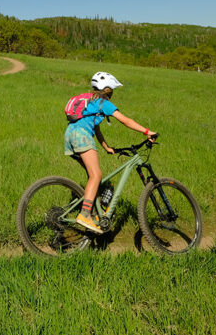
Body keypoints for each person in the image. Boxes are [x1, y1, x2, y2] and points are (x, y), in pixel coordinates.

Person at [64, 71, 158, 234]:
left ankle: (94, 213)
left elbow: (96, 127)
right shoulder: (103, 103)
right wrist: (147, 131)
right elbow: (125, 120)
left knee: (93, 176)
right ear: (108, 89)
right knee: (96, 175)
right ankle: (85, 214)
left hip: (70, 135)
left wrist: (106, 147)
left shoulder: (90, 100)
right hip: (82, 136)